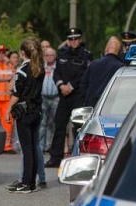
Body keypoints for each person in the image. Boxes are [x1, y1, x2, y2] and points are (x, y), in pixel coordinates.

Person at [45, 27, 91, 168]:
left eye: (76, 39)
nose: (73, 41)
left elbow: (84, 74)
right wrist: (61, 86)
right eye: (70, 39)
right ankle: (55, 157)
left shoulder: (86, 55)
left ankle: (79, 156)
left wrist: (70, 86)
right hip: (64, 95)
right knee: (59, 125)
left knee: (78, 126)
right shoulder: (63, 53)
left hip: (77, 95)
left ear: (80, 39)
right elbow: (56, 72)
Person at [5, 38, 44, 193]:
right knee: (33, 147)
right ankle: (32, 182)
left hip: (25, 112)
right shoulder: (39, 68)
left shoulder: (22, 71)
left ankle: (26, 182)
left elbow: (16, 93)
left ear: (22, 53)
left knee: (27, 149)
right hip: (37, 111)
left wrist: (8, 109)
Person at [81, 37, 125, 108]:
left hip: (91, 105)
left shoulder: (93, 64)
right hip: (110, 106)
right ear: (119, 52)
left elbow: (83, 85)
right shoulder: (121, 67)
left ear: (106, 49)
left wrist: (88, 100)